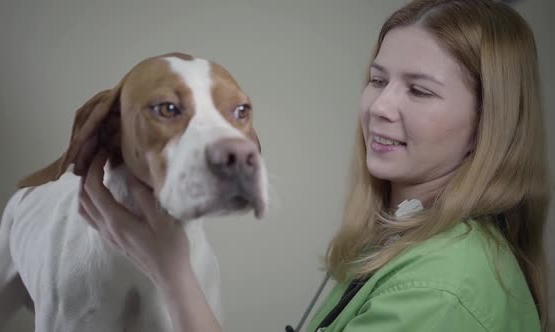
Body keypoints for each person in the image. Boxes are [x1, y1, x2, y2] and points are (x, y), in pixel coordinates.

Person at [79, 0, 551, 331]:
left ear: (489, 124)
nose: (379, 107)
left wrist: (171, 273)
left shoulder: (444, 293)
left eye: (420, 90)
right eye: (377, 79)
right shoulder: (403, 242)